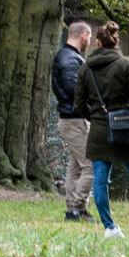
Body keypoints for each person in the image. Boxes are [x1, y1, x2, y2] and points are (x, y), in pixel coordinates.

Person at [73, 21, 129, 241]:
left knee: (100, 182)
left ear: (97, 43)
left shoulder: (86, 67)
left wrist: (95, 118)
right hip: (126, 129)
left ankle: (110, 228)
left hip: (98, 132)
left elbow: (78, 103)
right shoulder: (126, 64)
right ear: (116, 42)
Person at [51, 21, 94, 221]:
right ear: (84, 36)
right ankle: (77, 208)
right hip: (74, 120)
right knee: (91, 166)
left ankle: (73, 210)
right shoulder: (69, 59)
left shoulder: (67, 56)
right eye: (90, 37)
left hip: (72, 119)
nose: (90, 41)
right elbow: (74, 90)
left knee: (75, 167)